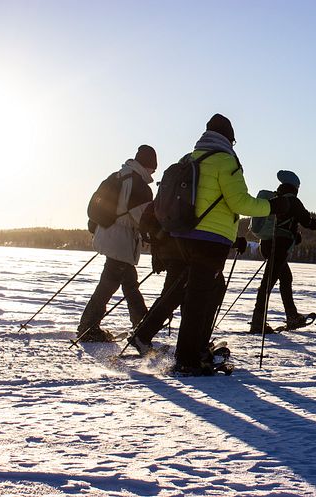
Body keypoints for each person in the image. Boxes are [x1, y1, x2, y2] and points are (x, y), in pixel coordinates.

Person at [167, 113, 291, 375]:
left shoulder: (191, 158)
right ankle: (188, 358)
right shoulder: (225, 160)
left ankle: (194, 348)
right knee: (201, 296)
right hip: (210, 239)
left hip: (183, 236)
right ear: (228, 138)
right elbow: (240, 202)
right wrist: (271, 206)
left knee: (205, 290)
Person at [126, 204, 247, 356]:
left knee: (175, 294)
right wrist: (233, 240)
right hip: (186, 249)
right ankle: (194, 344)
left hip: (171, 248)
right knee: (204, 293)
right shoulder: (198, 186)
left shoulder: (175, 188)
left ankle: (146, 336)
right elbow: (208, 224)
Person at [78, 145, 157, 341]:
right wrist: (157, 235)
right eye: (153, 168)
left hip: (107, 233)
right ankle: (88, 328)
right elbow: (143, 219)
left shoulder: (118, 176)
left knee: (129, 282)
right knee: (108, 284)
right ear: (147, 166)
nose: (153, 172)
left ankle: (140, 325)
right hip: (121, 239)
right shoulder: (139, 185)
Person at [249, 170, 316, 333]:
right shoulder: (293, 202)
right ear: (295, 188)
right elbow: (309, 223)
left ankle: (291, 316)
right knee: (267, 283)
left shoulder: (275, 199)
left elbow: (283, 224)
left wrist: (294, 235)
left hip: (267, 245)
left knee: (284, 278)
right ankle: (258, 322)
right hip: (279, 248)